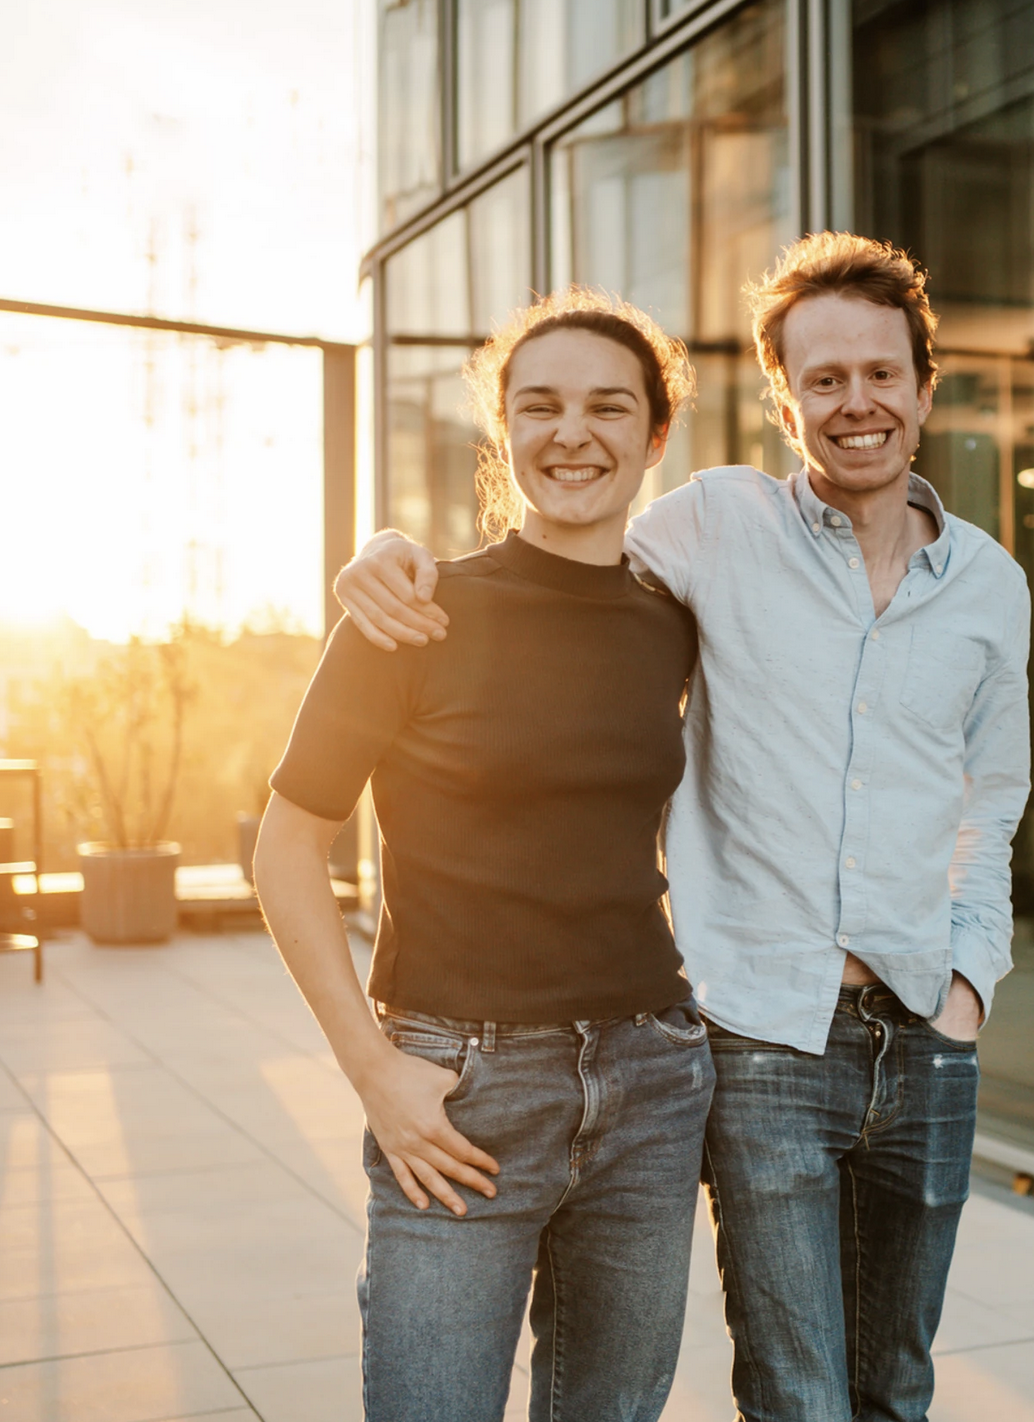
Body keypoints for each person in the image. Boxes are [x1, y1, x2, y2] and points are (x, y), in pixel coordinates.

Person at [336, 232, 1032, 1422]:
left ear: (924, 387)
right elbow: (556, 549)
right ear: (783, 401)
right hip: (763, 1038)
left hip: (927, 1030)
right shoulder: (712, 526)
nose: (854, 403)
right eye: (822, 379)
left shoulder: (988, 582)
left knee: (897, 1385)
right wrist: (394, 555)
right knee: (798, 1389)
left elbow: (993, 791)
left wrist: (971, 975)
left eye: (878, 374)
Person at [255, 288, 712, 1422]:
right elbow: (286, 848)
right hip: (457, 1092)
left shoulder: (676, 620)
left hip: (649, 1081)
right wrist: (374, 1071)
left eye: (610, 407)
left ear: (656, 437)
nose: (573, 433)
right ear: (500, 432)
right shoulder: (415, 610)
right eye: (540, 406)